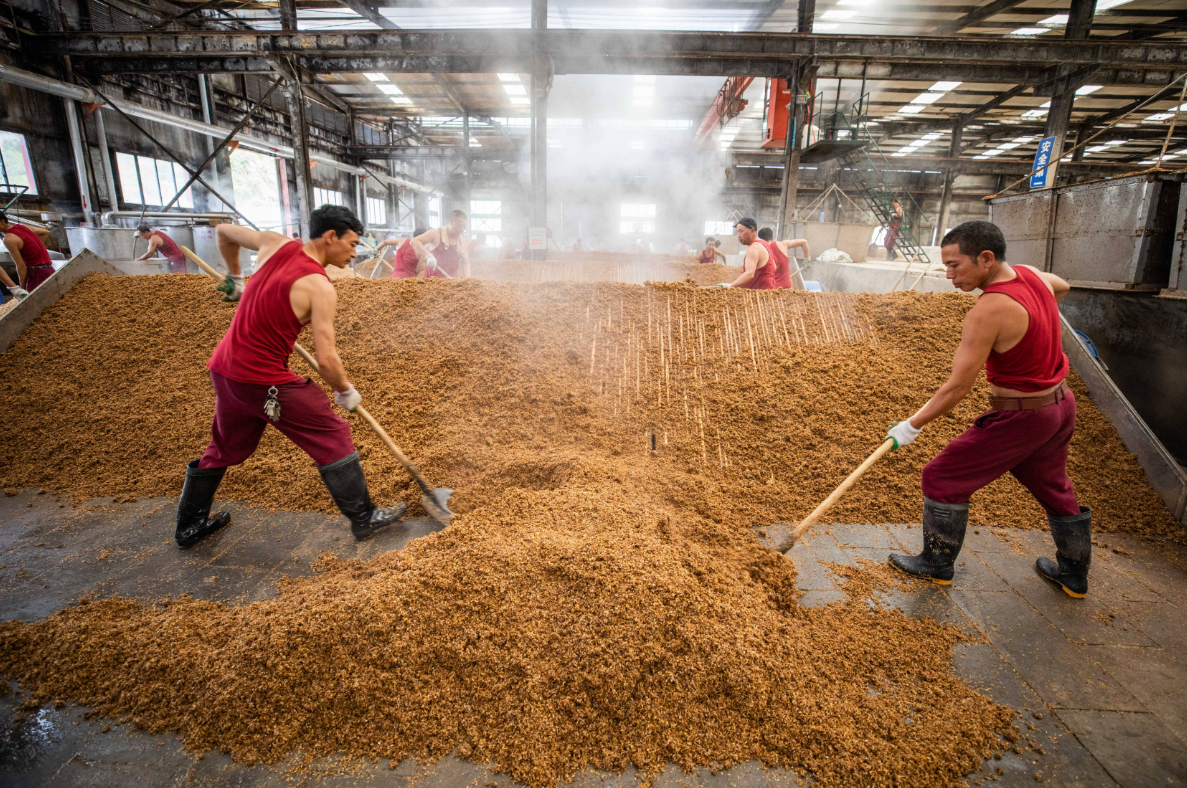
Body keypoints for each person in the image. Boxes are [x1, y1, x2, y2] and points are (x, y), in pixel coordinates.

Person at [175, 204, 407, 549]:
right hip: (261, 377)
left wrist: (236, 277)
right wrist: (345, 391)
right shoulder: (319, 287)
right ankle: (365, 518)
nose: (355, 253)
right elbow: (327, 359)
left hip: (225, 370)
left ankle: (189, 526)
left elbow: (224, 232)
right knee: (333, 432)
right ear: (331, 237)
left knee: (226, 446)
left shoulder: (273, 243)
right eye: (352, 243)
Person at [884, 221, 1089, 597]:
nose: (948, 275)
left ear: (986, 258)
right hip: (1060, 404)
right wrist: (1034, 326)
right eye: (945, 266)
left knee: (942, 476)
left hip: (1023, 415)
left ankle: (936, 564)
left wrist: (911, 426)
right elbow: (1063, 285)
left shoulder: (989, 309)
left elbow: (959, 387)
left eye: (955, 265)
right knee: (1052, 483)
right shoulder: (1032, 277)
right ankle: (1074, 575)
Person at [712, 218, 776, 290]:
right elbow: (774, 267)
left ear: (752, 230)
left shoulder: (753, 248)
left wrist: (730, 286)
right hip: (770, 292)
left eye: (741, 231)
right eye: (737, 232)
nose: (738, 236)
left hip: (759, 295)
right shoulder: (765, 244)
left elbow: (749, 274)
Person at [0, 212, 54, 294]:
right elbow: (46, 232)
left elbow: (21, 266)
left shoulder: (8, 239)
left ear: (2, 222)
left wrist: (22, 289)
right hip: (50, 271)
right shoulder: (23, 227)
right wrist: (35, 245)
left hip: (36, 275)